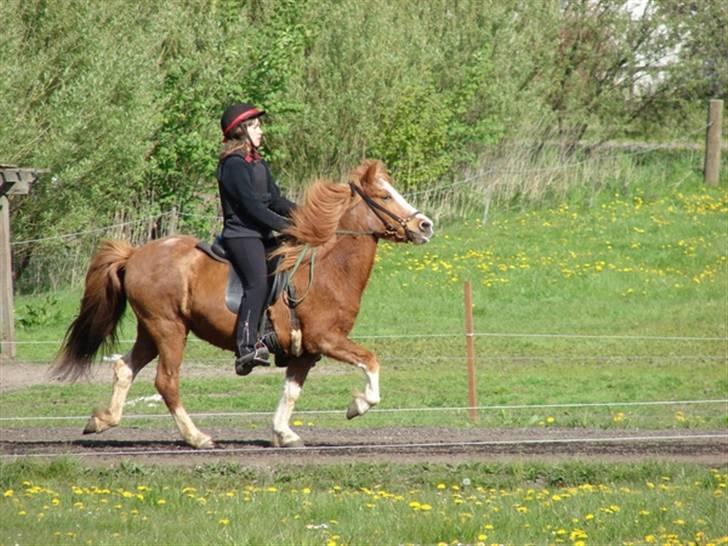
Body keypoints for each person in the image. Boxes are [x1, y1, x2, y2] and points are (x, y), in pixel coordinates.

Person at [216, 102, 297, 376]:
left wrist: (305, 216)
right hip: (242, 234)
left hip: (261, 232)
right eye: (255, 126)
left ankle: (278, 340)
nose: (261, 130)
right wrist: (285, 226)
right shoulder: (233, 165)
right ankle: (246, 348)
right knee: (257, 283)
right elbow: (252, 208)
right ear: (241, 131)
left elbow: (274, 199)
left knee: (288, 273)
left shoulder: (258, 163)